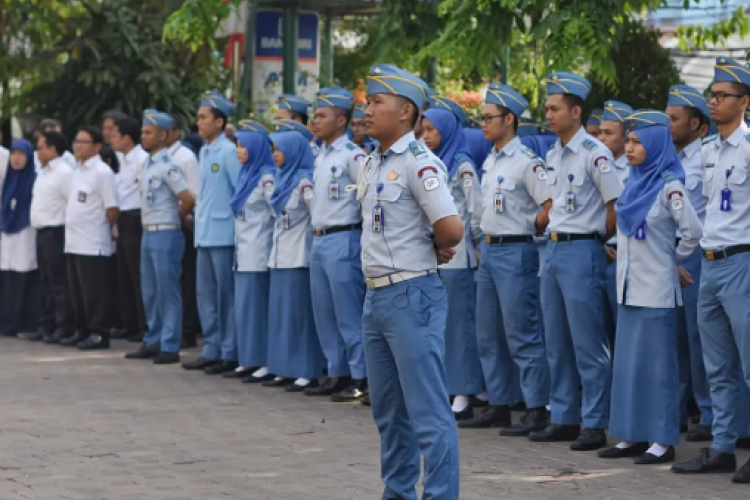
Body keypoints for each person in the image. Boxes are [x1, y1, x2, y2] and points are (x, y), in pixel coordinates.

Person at [360, 63, 463, 500]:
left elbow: (451, 228)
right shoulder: (371, 161)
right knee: (389, 412)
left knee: (427, 411)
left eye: (375, 102)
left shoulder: (419, 163)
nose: (366, 109)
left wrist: (434, 247)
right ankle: (398, 492)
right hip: (377, 297)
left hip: (411, 294)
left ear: (405, 111)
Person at [598, 109, 703, 465]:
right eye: (627, 140)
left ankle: (661, 440)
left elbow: (692, 232)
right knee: (629, 366)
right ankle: (630, 435)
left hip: (656, 291)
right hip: (628, 288)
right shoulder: (632, 181)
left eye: (637, 142)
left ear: (656, 144)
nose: (629, 148)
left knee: (659, 369)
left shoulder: (668, 185)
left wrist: (674, 261)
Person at [529, 72, 623, 450]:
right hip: (553, 249)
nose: (548, 115)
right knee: (556, 339)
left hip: (583, 249)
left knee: (588, 341)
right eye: (547, 108)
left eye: (555, 109)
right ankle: (564, 416)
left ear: (576, 111)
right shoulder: (553, 153)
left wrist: (597, 239)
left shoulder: (595, 154)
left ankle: (595, 422)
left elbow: (614, 207)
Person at [672, 56, 750, 483]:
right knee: (716, 365)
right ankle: (722, 447)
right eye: (713, 95)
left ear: (745, 102)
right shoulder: (706, 152)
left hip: (742, 261)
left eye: (723, 96)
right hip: (711, 262)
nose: (715, 102)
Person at [460, 83, 552, 434]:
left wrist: (530, 226)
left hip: (517, 250)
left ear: (509, 119)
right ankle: (498, 403)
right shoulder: (492, 160)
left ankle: (535, 407)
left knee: (522, 333)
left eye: (488, 118)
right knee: (488, 332)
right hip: (491, 252)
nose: (482, 124)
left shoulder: (527, 162)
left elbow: (550, 206)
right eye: (480, 118)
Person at [420, 97, 484, 420]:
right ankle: (446, 387)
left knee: (459, 326)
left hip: (459, 258)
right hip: (436, 258)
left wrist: (477, 243)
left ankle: (464, 391)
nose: (426, 135)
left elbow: (475, 208)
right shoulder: (432, 163)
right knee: (440, 326)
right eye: (424, 129)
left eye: (432, 129)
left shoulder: (461, 164)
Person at [304, 88, 369, 401]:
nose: (315, 122)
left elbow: (368, 197)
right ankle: (336, 370)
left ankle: (360, 376)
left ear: (341, 120)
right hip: (319, 239)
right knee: (325, 313)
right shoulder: (320, 155)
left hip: (344, 238)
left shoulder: (352, 156)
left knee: (348, 313)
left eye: (322, 116)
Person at [125, 110, 195, 365]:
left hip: (166, 231)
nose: (143, 136)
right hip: (148, 232)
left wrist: (177, 217)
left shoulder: (169, 166)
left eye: (148, 132)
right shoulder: (147, 164)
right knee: (150, 291)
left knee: (168, 291)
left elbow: (187, 198)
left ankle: (170, 345)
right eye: (143, 132)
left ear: (163, 135)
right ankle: (152, 340)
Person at [666, 84, 714, 442]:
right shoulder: (669, 159)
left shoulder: (707, 157)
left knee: (701, 339)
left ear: (697, 124)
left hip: (699, 254)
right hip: (671, 254)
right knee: (675, 337)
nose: (668, 125)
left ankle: (709, 412)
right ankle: (681, 409)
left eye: (674, 119)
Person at [262, 121, 326, 391]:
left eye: (280, 149)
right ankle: (284, 367)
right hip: (279, 255)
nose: (275, 154)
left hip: (299, 255)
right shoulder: (280, 180)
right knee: (281, 315)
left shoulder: (303, 182)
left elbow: (317, 217)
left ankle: (305, 369)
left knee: (298, 316)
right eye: (273, 150)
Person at [182, 92, 241, 374]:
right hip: (204, 233)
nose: (199, 122)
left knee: (225, 295)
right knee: (205, 293)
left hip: (223, 233)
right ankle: (211, 347)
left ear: (219, 121)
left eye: (204, 117)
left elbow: (238, 192)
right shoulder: (205, 151)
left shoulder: (228, 151)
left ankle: (228, 351)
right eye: (198, 117)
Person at [226, 121, 276, 383]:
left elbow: (276, 212)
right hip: (243, 252)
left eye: (243, 145)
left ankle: (265, 360)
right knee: (246, 310)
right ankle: (249, 358)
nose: (239, 150)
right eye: (237, 144)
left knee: (258, 310)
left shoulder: (265, 176)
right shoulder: (246, 174)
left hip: (258, 252)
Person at [62, 126, 119, 350]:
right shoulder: (77, 171)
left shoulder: (103, 172)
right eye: (76, 141)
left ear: (96, 146)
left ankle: (99, 333)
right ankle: (82, 330)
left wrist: (105, 228)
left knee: (94, 293)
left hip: (93, 242)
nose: (78, 146)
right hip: (74, 242)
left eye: (83, 142)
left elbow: (112, 208)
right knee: (78, 292)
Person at [30, 130, 75, 344]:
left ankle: (63, 326)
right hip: (42, 232)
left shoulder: (65, 172)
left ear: (53, 149)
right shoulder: (44, 171)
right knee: (45, 281)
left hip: (57, 231)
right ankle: (45, 325)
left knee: (59, 283)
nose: (37, 151)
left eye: (40, 147)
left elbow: (71, 204)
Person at [109, 115, 149, 343]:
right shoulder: (123, 159)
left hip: (136, 219)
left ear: (126, 138)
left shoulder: (141, 159)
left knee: (137, 275)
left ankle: (144, 325)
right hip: (123, 218)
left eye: (115, 135)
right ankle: (130, 323)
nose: (111, 139)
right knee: (124, 275)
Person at [598, 100, 633, 345]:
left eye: (608, 133)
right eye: (599, 132)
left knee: (622, 331)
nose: (601, 138)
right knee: (598, 332)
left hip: (622, 256)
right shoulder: (595, 163)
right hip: (596, 251)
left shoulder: (634, 170)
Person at [167, 114, 201, 348]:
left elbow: (193, 193)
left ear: (176, 132)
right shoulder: (157, 158)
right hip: (162, 225)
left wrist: (181, 216)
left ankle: (187, 330)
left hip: (183, 223)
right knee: (168, 281)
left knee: (184, 280)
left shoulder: (185, 156)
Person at [0, 139, 39, 338]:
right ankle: (5, 323)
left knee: (24, 278)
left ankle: (25, 323)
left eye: (21, 154)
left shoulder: (34, 179)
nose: (16, 158)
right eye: (13, 153)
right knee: (7, 279)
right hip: (7, 234)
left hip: (26, 233)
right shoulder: (7, 180)